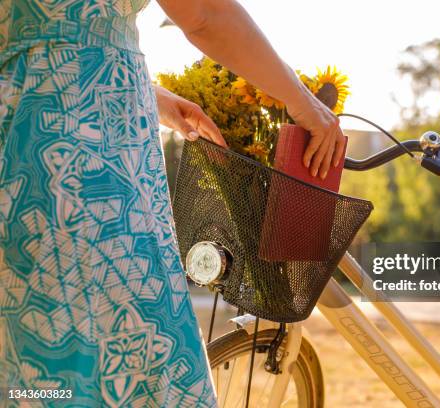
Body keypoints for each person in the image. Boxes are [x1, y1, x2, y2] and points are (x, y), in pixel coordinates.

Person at [0, 0, 344, 406]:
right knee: (119, 340)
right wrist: (303, 103)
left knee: (41, 337)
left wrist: (149, 92)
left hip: (24, 142)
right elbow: (205, 12)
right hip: (87, 157)